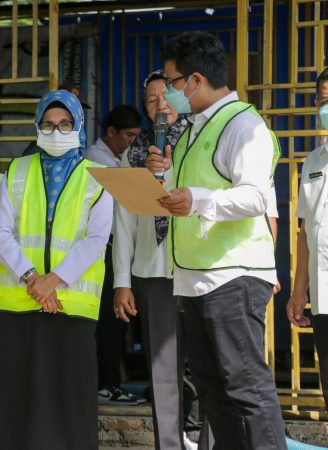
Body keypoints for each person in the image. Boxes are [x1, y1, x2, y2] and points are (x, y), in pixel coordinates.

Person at [147, 31, 286, 449]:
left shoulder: (244, 125)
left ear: (195, 80)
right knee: (212, 388)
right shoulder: (194, 128)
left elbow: (256, 196)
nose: (168, 95)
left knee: (246, 386)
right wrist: (163, 177)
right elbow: (190, 193)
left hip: (233, 275)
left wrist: (197, 199)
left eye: (171, 83)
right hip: (195, 278)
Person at [0, 90, 113, 450]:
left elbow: (97, 239)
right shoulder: (16, 169)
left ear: (79, 127)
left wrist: (53, 281)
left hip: (71, 306)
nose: (56, 132)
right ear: (37, 127)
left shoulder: (99, 176)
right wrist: (32, 278)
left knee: (69, 398)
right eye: (47, 125)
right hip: (17, 304)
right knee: (16, 398)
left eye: (65, 125)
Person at [113, 70, 194, 450]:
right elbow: (123, 221)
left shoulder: (199, 141)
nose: (160, 104)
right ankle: (169, 445)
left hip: (197, 268)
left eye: (166, 96)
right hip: (152, 270)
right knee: (162, 369)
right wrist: (122, 281)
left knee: (207, 364)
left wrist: (171, 169)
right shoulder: (133, 154)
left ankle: (209, 440)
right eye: (150, 99)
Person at [84, 104, 144, 406]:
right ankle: (105, 385)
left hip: (117, 248)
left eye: (136, 137)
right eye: (128, 136)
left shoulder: (117, 159)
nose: (133, 142)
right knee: (109, 320)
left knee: (117, 322)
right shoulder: (97, 160)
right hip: (103, 249)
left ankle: (110, 382)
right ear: (111, 132)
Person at [287, 66, 328, 411]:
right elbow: (305, 232)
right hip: (323, 295)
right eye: (324, 101)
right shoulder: (314, 160)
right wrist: (299, 291)